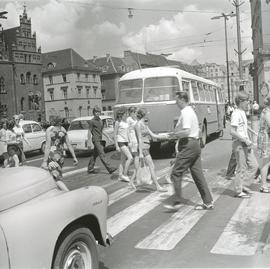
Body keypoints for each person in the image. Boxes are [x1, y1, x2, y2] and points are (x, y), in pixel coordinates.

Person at [164, 91, 214, 210]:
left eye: (176, 100)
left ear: (182, 99)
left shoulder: (186, 112)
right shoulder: (191, 110)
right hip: (195, 144)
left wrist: (174, 135)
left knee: (176, 172)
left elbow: (186, 131)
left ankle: (177, 201)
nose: (176, 102)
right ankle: (208, 201)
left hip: (188, 144)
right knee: (197, 174)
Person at [230, 91, 259, 198]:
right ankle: (238, 191)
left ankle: (244, 185)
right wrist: (244, 139)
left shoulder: (242, 112)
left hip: (246, 142)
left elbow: (244, 126)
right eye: (247, 101)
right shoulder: (235, 114)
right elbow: (232, 131)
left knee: (254, 165)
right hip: (239, 143)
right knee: (241, 168)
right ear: (241, 102)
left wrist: (254, 132)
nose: (248, 103)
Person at [41, 116, 78, 190]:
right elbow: (69, 144)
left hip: (52, 155)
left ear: (52, 122)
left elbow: (48, 146)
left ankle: (67, 192)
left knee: (56, 178)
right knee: (56, 175)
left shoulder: (50, 130)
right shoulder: (63, 129)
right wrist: (74, 157)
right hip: (60, 156)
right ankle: (58, 192)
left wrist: (44, 161)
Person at [135, 108, 167, 192]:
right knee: (151, 166)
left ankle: (136, 182)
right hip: (143, 148)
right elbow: (139, 139)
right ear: (144, 114)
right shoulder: (138, 125)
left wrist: (165, 136)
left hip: (146, 147)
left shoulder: (144, 124)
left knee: (146, 166)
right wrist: (141, 153)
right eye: (146, 113)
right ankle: (157, 186)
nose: (147, 114)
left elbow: (153, 135)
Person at [87, 106, 117, 174]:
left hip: (100, 139)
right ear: (94, 113)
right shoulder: (92, 121)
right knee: (102, 153)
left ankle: (90, 168)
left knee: (95, 154)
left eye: (98, 112)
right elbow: (89, 131)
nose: (97, 113)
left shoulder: (100, 120)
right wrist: (89, 141)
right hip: (95, 140)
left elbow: (102, 130)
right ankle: (109, 168)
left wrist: (108, 137)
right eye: (96, 112)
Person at [114, 107, 134, 184]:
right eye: (125, 114)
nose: (126, 115)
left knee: (122, 160)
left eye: (126, 114)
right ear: (121, 115)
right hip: (120, 142)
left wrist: (129, 141)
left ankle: (120, 175)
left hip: (126, 142)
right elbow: (115, 135)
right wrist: (116, 146)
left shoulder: (126, 122)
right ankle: (125, 174)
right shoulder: (117, 122)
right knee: (130, 158)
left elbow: (128, 133)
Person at [257, 96, 270, 192]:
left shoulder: (266, 110)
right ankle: (263, 185)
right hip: (265, 138)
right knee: (265, 163)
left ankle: (264, 182)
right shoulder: (267, 112)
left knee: (266, 162)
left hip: (265, 137)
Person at [127, 106, 139, 188]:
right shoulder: (129, 119)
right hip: (133, 140)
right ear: (131, 113)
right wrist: (129, 141)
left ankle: (136, 176)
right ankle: (134, 177)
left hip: (136, 139)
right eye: (134, 112)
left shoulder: (135, 119)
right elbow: (127, 131)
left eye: (136, 112)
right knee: (136, 157)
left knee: (136, 157)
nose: (135, 114)